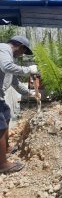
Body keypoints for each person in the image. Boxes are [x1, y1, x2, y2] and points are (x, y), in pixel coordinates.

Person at [0, 36, 39, 174]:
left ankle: (5, 148)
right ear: (19, 46)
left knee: (6, 115)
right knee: (1, 127)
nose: (22, 55)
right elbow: (6, 67)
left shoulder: (10, 58)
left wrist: (31, 93)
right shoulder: (4, 49)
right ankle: (3, 164)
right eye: (23, 51)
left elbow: (15, 82)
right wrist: (28, 69)